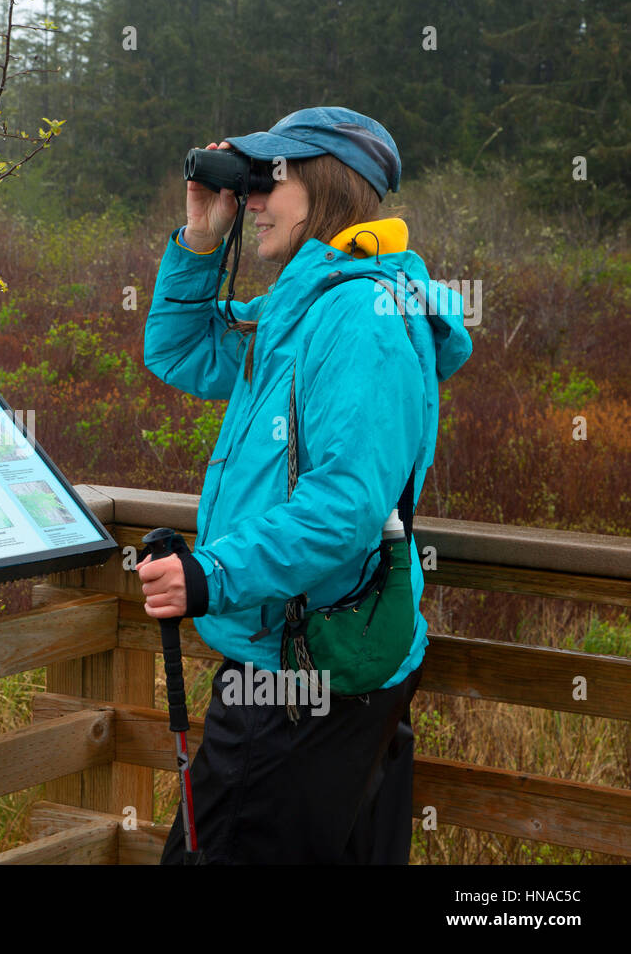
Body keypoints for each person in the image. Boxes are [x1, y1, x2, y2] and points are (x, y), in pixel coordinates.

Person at [139, 106, 473, 864]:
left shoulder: (360, 318)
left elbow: (345, 508)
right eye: (247, 180)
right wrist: (201, 235)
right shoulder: (302, 306)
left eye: (267, 179)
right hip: (305, 653)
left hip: (302, 676)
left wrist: (209, 573)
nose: (250, 198)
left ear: (325, 184)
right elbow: (179, 349)